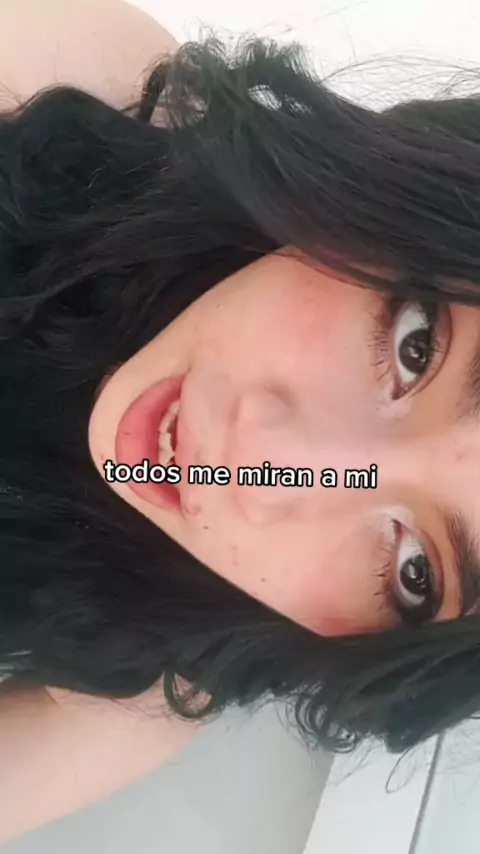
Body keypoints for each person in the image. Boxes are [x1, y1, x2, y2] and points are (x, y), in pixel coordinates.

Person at [2, 0, 480, 841]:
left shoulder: (133, 689)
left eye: (415, 573)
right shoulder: (93, 92)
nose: (264, 461)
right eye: (415, 346)